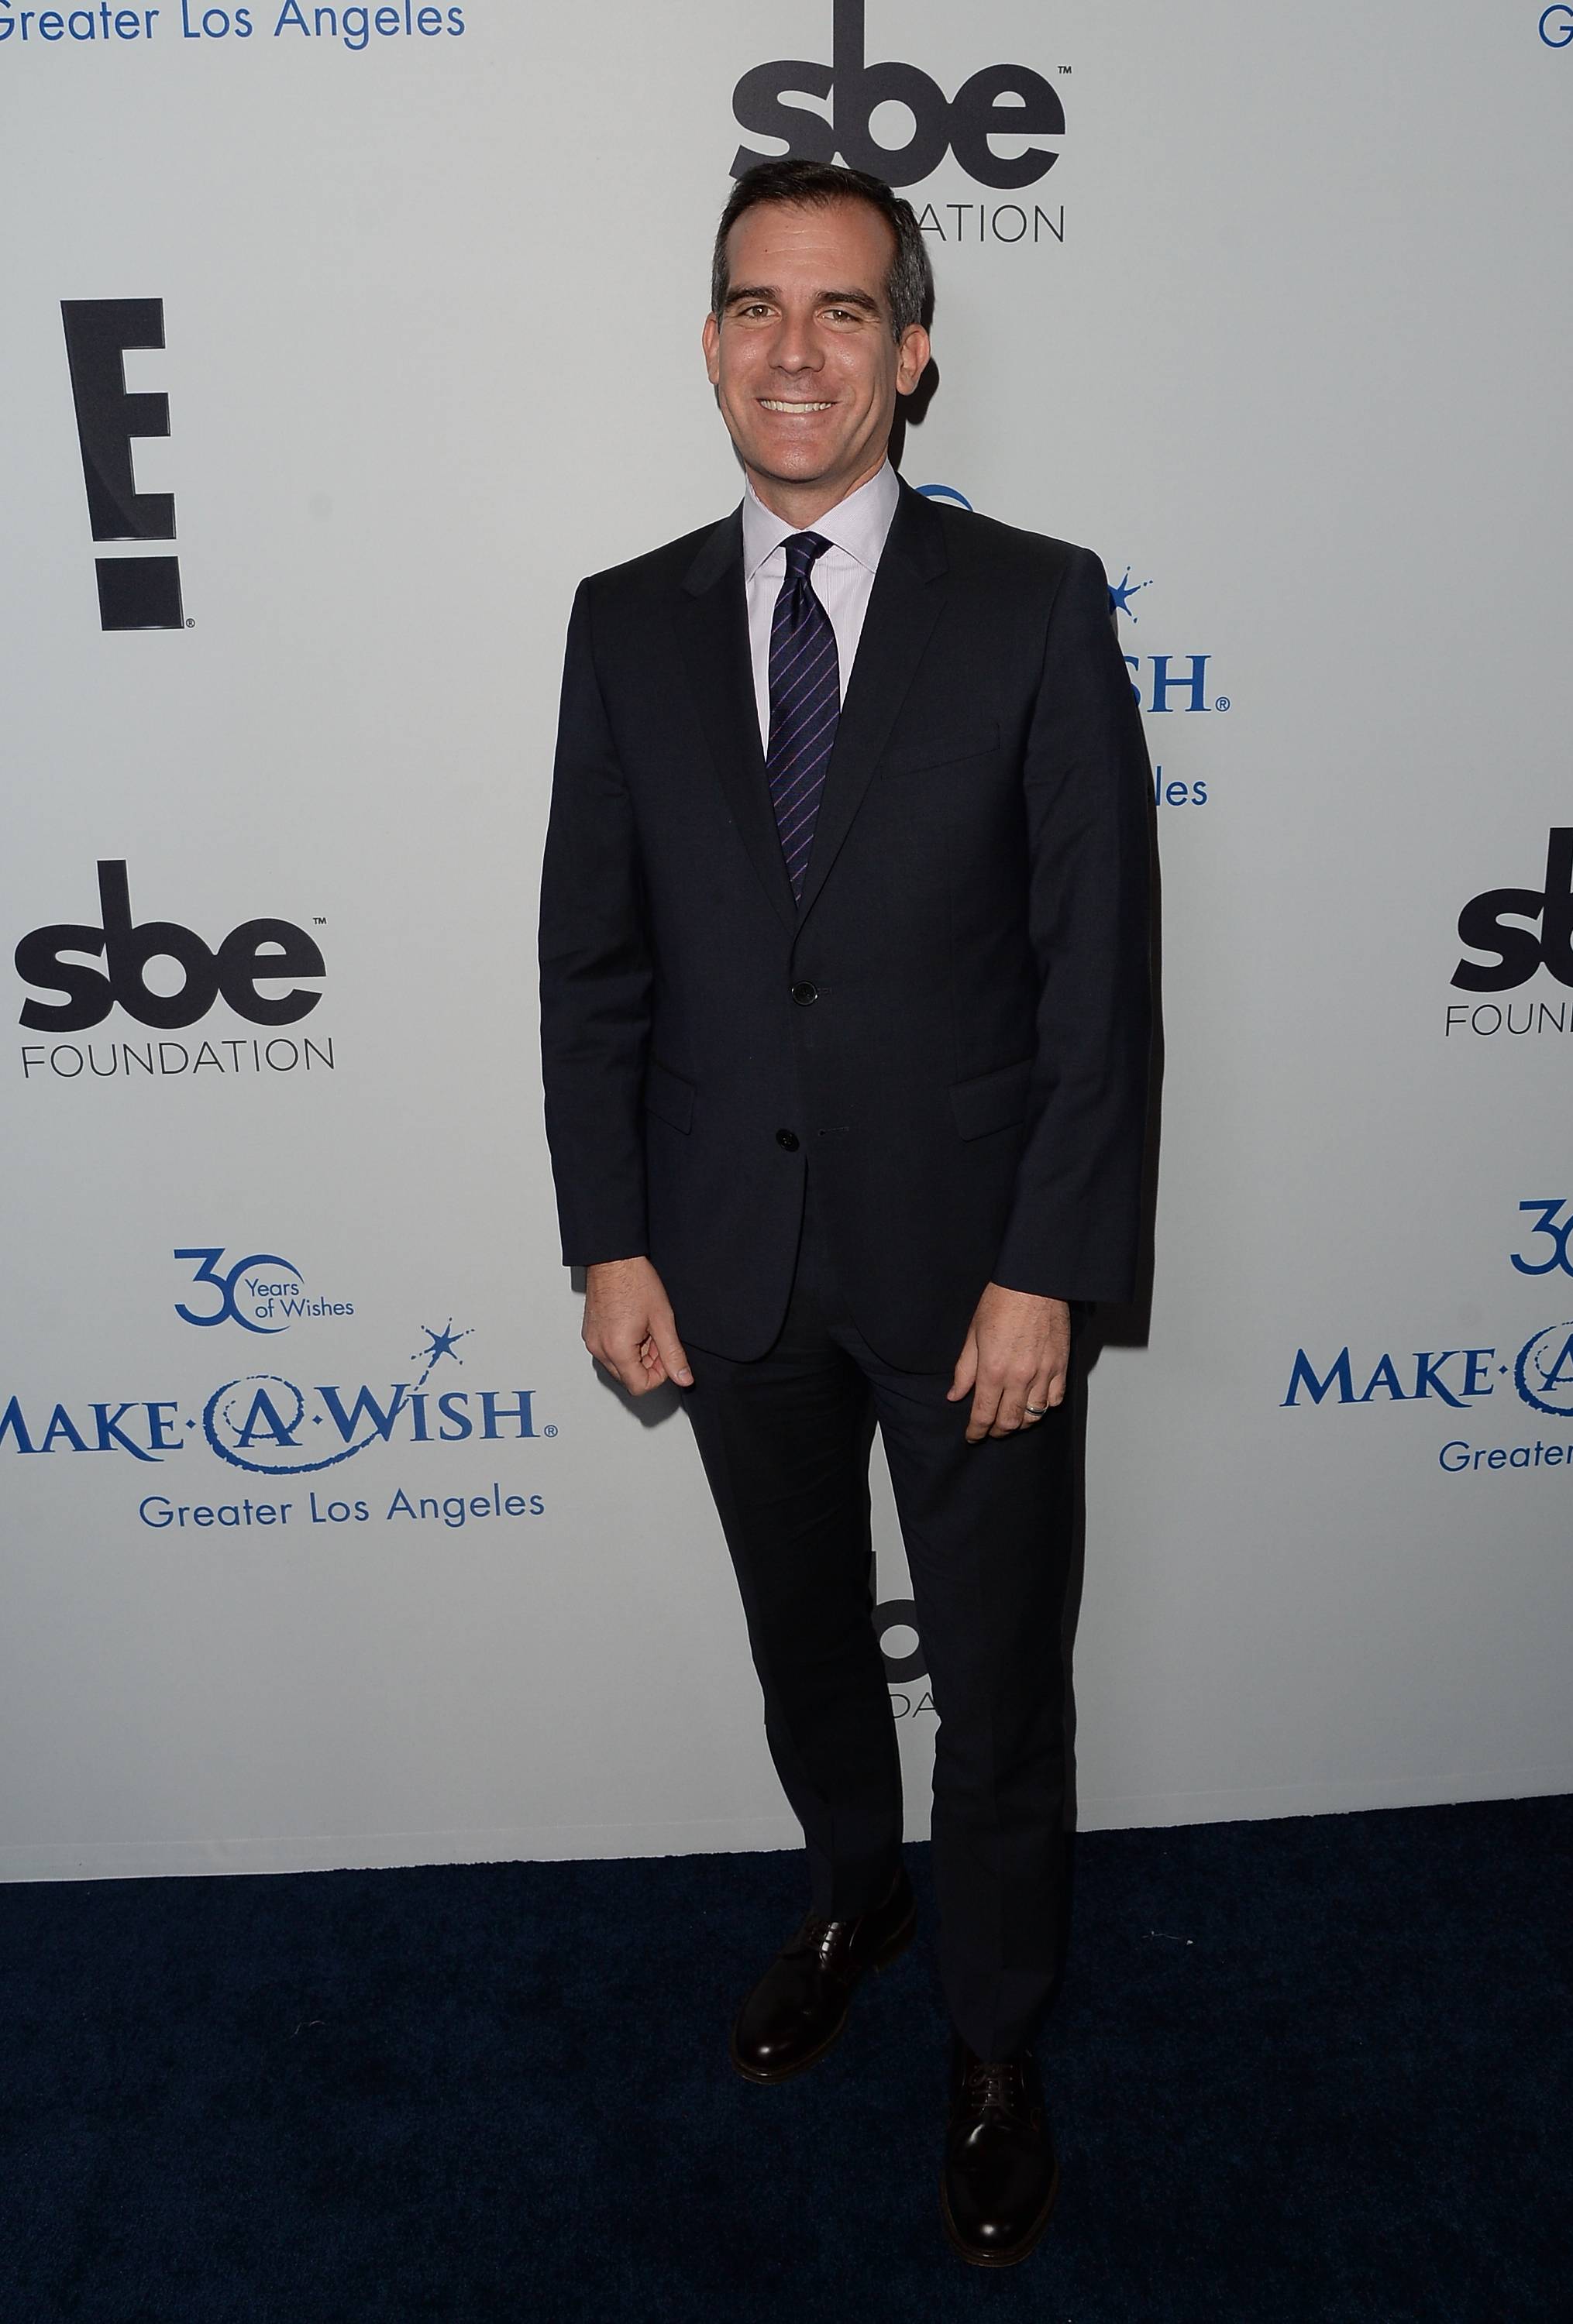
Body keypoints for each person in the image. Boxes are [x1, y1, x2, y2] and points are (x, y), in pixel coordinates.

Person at [538, 155, 1151, 2267]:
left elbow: (1096, 977)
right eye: (755, 305)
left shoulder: (1036, 603)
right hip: (724, 1260)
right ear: (710, 341)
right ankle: (851, 1893)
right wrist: (612, 1237)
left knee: (995, 1681)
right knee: (806, 1640)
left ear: (912, 353)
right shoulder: (622, 620)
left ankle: (994, 2040)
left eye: (841, 309)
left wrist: (1048, 1263)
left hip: (978, 1274)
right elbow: (592, 962)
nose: (792, 348)